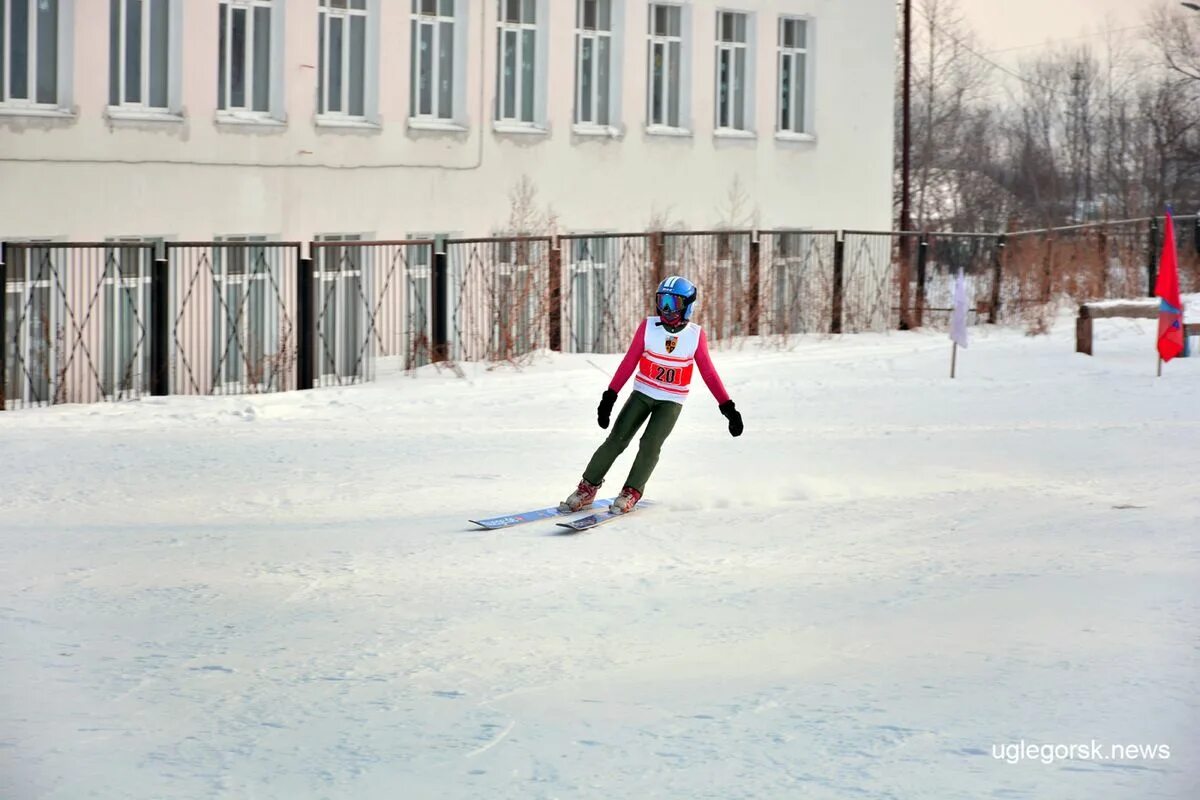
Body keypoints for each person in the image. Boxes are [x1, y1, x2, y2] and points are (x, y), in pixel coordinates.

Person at [560, 275, 744, 515]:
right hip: (642, 394)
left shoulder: (695, 336)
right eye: (662, 301)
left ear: (688, 305)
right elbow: (629, 362)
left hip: (671, 401)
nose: (666, 309)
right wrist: (610, 396)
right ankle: (587, 487)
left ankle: (631, 491)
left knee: (650, 444)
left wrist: (728, 408)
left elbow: (709, 374)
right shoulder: (648, 327)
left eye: (673, 303)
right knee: (616, 439)